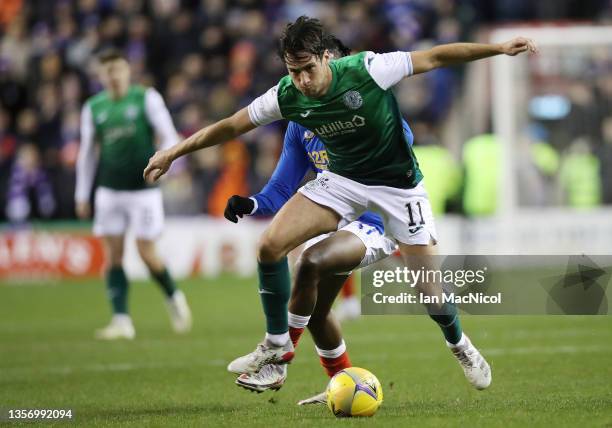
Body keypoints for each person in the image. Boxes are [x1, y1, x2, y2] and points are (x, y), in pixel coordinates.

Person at [144, 16, 537, 389]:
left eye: (307, 69)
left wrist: (498, 48)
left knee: (429, 292)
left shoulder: (367, 70)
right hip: (342, 181)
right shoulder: (287, 95)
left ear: (326, 58)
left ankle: (461, 346)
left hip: (397, 191)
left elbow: (434, 56)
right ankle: (277, 343)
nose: (301, 80)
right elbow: (231, 125)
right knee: (270, 245)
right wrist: (173, 153)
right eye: (292, 70)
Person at [222, 35, 409, 398]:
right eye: (300, 73)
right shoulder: (300, 123)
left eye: (318, 70)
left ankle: (277, 361)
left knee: (307, 267)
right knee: (316, 309)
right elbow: (281, 187)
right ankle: (346, 382)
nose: (311, 83)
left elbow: (402, 149)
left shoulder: (370, 111)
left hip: (374, 219)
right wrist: (251, 204)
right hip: (335, 213)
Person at [76, 48, 192, 340]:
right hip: (109, 190)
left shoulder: (146, 98)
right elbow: (87, 153)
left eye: (118, 69)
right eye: (108, 71)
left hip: (144, 190)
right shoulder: (93, 107)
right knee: (113, 255)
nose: (114, 76)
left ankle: (173, 297)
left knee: (145, 252)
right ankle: (121, 320)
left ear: (127, 71)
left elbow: (169, 135)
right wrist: (82, 193)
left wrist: (169, 166)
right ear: (101, 76)